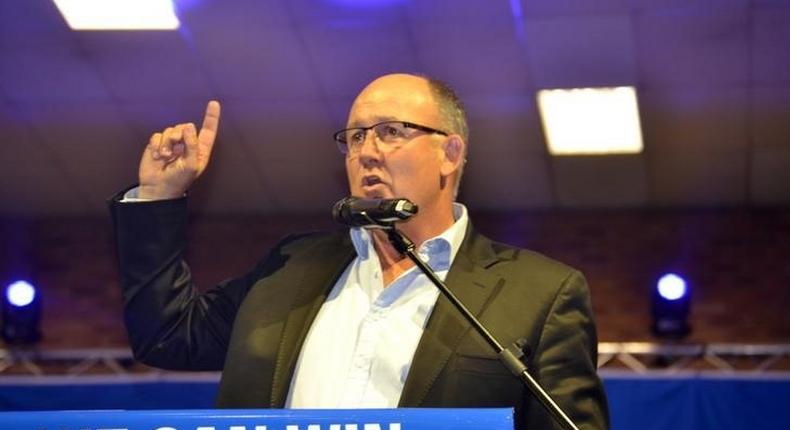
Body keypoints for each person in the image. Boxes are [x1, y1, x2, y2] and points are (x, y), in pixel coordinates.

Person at [109, 73, 609, 429]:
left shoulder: (540, 294)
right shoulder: (289, 268)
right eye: (354, 137)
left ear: (449, 154)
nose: (366, 151)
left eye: (391, 132)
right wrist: (158, 198)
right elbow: (167, 335)